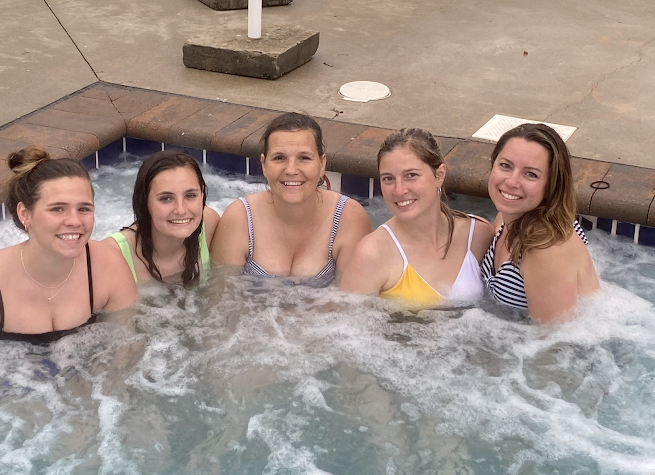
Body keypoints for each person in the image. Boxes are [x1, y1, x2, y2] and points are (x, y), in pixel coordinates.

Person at [0, 146, 137, 342]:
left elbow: (129, 346)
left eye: (84, 209)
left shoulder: (107, 265)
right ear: (25, 214)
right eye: (58, 209)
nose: (75, 221)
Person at [212, 112, 372, 286]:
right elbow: (220, 296)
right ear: (264, 164)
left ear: (322, 164)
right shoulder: (240, 217)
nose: (291, 170)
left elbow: (354, 299)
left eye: (304, 158)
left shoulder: (347, 217)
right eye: (279, 158)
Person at [340, 128, 490, 309]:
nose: (399, 190)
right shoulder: (372, 254)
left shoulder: (477, 234)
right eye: (388, 179)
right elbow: (346, 322)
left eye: (411, 175)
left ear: (439, 175)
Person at [480, 123, 600, 323]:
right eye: (505, 165)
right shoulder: (507, 217)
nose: (511, 182)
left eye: (531, 174)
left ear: (551, 185)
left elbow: (555, 337)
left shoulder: (546, 248)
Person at [108, 149, 221, 288]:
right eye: (166, 198)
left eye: (190, 195)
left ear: (202, 194)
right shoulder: (112, 255)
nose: (181, 210)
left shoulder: (209, 225)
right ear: (144, 202)